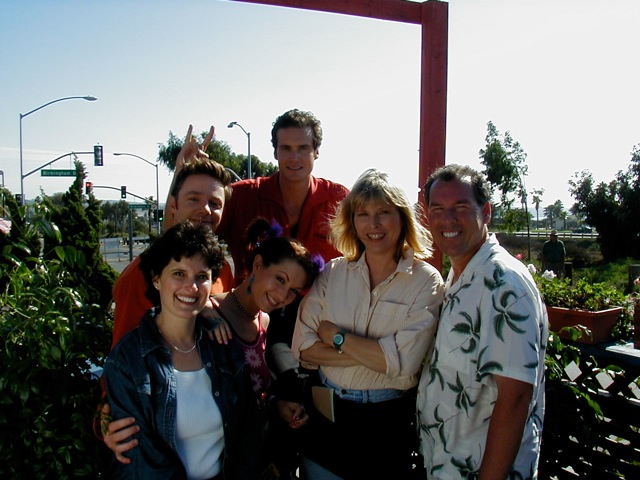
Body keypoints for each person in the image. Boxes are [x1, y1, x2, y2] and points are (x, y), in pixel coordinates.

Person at [291, 169, 444, 479]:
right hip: (327, 416)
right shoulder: (334, 272)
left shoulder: (425, 282)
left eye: (384, 213)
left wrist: (337, 337)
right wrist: (382, 355)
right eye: (363, 214)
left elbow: (405, 362)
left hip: (386, 424)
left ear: (402, 218)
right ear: (352, 221)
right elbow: (303, 349)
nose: (373, 225)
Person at [417, 164, 548, 479]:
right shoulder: (464, 273)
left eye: (461, 207)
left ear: (486, 212)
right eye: (437, 209)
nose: (448, 220)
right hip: (449, 464)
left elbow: (515, 396)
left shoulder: (504, 285)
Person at [103, 221, 257, 479]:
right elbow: (142, 460)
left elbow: (247, 434)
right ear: (156, 279)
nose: (191, 287)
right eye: (178, 274)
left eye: (201, 277)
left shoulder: (223, 347)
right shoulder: (128, 359)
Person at [209, 217, 324, 478]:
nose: (283, 296)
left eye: (294, 290)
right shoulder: (208, 314)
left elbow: (253, 393)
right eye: (280, 279)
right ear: (258, 264)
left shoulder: (264, 321)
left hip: (251, 459)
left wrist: (278, 405)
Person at [111, 126, 234, 348]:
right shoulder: (142, 273)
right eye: (193, 199)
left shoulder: (222, 270)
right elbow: (121, 366)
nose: (205, 210)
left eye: (215, 203)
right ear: (174, 206)